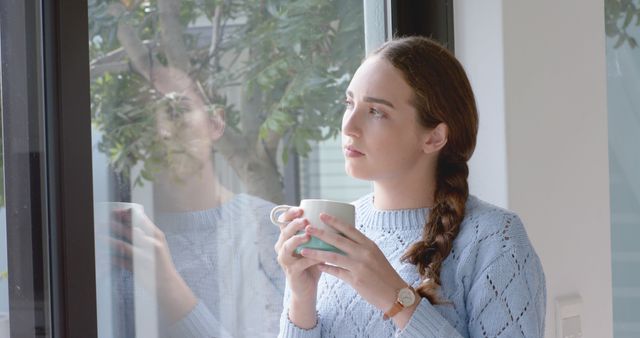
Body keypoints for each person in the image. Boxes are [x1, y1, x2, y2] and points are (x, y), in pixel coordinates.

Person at [274, 36, 546, 337]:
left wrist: (397, 299)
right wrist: (301, 298)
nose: (349, 127)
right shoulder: (337, 228)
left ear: (433, 138)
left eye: (376, 111)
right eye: (349, 103)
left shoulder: (497, 239)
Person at [100, 67, 284, 338]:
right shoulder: (118, 237)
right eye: (144, 120)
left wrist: (167, 285)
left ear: (215, 122)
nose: (163, 131)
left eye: (177, 110)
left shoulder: (272, 230)